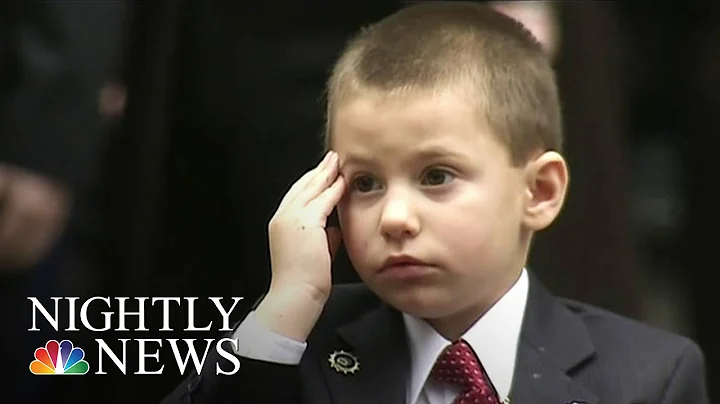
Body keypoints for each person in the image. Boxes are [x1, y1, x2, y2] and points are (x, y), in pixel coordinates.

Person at [160, 3, 708, 403]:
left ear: (538, 192)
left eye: (437, 176)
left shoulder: (646, 376)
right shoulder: (297, 347)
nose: (395, 219)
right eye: (366, 184)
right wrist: (281, 314)